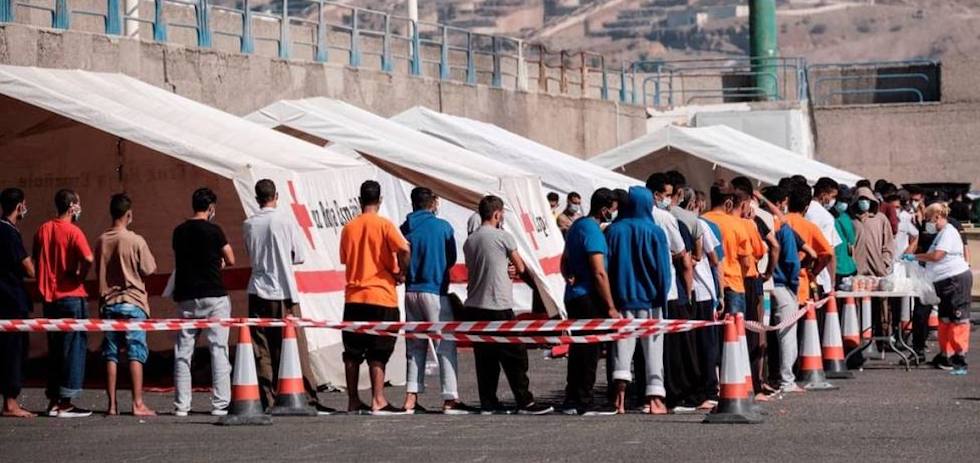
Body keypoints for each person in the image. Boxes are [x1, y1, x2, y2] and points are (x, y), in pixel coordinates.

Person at [242, 179, 329, 413]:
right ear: (276, 196)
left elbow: (250, 253)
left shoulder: (249, 223)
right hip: (283, 288)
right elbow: (298, 255)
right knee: (291, 344)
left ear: (257, 197)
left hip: (257, 288)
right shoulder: (285, 220)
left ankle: (266, 395)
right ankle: (300, 392)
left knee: (261, 348)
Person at [463, 195, 552, 415]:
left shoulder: (470, 240)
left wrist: (504, 267)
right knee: (515, 355)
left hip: (474, 305)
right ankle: (524, 401)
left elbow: (483, 266)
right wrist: (511, 268)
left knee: (485, 359)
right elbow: (520, 266)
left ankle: (488, 401)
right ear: (496, 214)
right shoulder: (503, 236)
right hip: (498, 305)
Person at [340, 180, 411, 415]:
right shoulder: (384, 225)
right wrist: (401, 272)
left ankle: (352, 400)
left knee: (352, 352)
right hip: (381, 295)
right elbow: (404, 249)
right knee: (378, 351)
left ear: (360, 200)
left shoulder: (349, 227)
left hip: (354, 297)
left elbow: (345, 258)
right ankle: (378, 399)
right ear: (380, 200)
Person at [399, 187, 472, 415]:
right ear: (432, 203)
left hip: (410, 291)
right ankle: (450, 398)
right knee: (445, 345)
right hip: (435, 290)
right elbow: (450, 259)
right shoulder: (443, 227)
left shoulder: (404, 228)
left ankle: (411, 397)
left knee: (415, 345)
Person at [606, 186, 672, 415]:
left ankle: (620, 398)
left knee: (621, 349)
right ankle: (655, 399)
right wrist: (662, 294)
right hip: (651, 299)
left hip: (622, 298)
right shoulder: (655, 232)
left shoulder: (614, 231)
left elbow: (608, 266)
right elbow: (664, 269)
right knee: (654, 350)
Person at [172, 187, 235, 417]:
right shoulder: (215, 231)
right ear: (210, 208)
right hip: (214, 295)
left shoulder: (178, 232)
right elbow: (230, 257)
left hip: (187, 297)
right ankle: (220, 404)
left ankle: (182, 405)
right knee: (218, 350)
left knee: (182, 352)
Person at [94, 193, 157, 416]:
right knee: (135, 352)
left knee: (110, 354)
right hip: (134, 302)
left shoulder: (102, 240)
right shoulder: (136, 240)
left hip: (109, 303)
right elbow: (149, 269)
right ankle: (137, 403)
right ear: (128, 214)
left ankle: (111, 405)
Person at [560, 188, 619, 416]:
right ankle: (583, 400)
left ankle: (572, 397)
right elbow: (599, 272)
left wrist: (569, 276)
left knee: (577, 350)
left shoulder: (576, 226)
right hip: (588, 297)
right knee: (589, 351)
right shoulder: (593, 232)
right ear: (604, 210)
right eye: (612, 210)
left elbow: (564, 260)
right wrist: (611, 306)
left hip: (573, 294)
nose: (613, 214)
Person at [34, 189, 93, 418]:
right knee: (74, 349)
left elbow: (38, 259)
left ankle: (53, 400)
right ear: (72, 207)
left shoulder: (43, 230)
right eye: (78, 203)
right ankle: (66, 401)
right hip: (71, 295)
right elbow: (88, 258)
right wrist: (79, 275)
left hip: (50, 298)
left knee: (56, 349)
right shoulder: (73, 231)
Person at [913, 203, 972, 374]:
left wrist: (916, 256)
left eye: (928, 220)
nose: (928, 224)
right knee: (945, 319)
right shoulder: (940, 234)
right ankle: (946, 354)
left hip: (955, 279)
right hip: (944, 281)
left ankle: (959, 357)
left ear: (937, 217)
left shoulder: (949, 232)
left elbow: (938, 256)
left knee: (958, 318)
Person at [759, 186, 805, 394]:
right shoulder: (783, 228)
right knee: (786, 334)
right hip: (782, 286)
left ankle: (766, 377)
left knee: (762, 334)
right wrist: (794, 285)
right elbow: (792, 262)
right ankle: (787, 380)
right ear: (781, 203)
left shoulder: (756, 222)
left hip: (761, 286)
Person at [0, 188, 35, 418]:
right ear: (20, 206)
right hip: (11, 300)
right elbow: (29, 268)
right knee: (14, 352)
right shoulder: (10, 233)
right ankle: (11, 403)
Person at [702, 185, 752, 316]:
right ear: (728, 202)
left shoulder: (702, 220)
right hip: (733, 285)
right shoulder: (737, 224)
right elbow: (746, 263)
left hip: (709, 285)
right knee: (735, 333)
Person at [806, 177, 842, 298]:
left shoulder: (804, 209)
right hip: (819, 275)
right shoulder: (825, 217)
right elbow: (828, 251)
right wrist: (832, 282)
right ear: (823, 194)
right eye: (832, 196)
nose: (833, 200)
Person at [833, 186, 858, 287]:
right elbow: (851, 241)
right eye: (842, 200)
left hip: (837, 265)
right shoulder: (845, 218)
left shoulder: (831, 216)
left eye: (846, 201)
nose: (844, 204)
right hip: (846, 265)